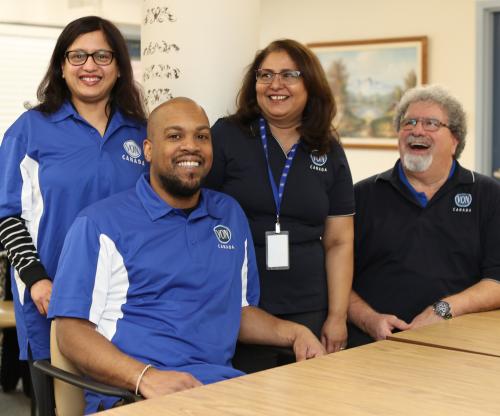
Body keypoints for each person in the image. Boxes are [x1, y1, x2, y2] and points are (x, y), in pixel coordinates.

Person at [48, 97, 325, 413]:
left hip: (221, 391)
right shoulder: (99, 224)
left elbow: (239, 311)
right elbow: (71, 332)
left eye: (201, 136)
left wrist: (295, 332)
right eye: (175, 136)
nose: (190, 146)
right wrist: (145, 377)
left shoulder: (229, 215)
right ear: (149, 150)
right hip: (133, 395)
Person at [0, 16, 147, 412]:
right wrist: (36, 280)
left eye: (102, 55)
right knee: (57, 406)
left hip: (127, 300)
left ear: (118, 67)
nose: (90, 66)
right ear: (61, 67)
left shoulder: (141, 132)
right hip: (54, 297)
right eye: (77, 55)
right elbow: (6, 215)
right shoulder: (29, 130)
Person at [204, 39, 354, 371]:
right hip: (241, 306)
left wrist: (337, 316)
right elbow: (196, 215)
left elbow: (339, 241)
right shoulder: (228, 135)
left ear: (310, 84)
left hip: (310, 305)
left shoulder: (327, 147)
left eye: (289, 74)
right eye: (265, 75)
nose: (275, 84)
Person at [348, 84, 500, 347]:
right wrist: (368, 319)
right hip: (373, 345)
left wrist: (444, 309)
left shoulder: (489, 195)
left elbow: (496, 280)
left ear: (455, 140)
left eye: (431, 123)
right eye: (409, 122)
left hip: (462, 347)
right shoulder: (361, 196)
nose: (417, 130)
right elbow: (335, 277)